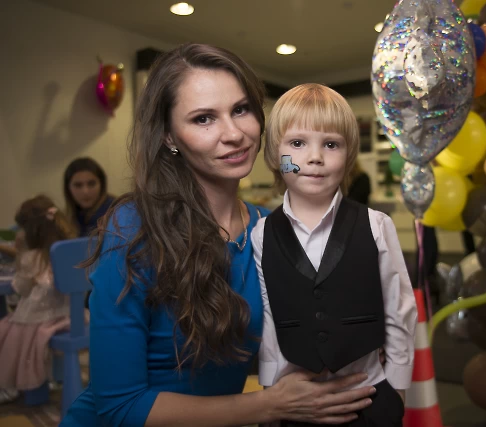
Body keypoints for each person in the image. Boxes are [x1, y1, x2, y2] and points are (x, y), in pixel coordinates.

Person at [61, 44, 376, 427]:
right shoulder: (133, 228)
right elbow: (120, 407)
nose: (234, 134)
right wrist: (269, 406)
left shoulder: (272, 228)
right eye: (203, 118)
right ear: (169, 137)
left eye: (241, 109)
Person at [252, 83, 417, 427]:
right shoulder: (262, 233)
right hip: (296, 404)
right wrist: (270, 391)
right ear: (275, 156)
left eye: (331, 144)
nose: (315, 157)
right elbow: (270, 318)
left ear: (348, 155)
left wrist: (397, 390)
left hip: (369, 395)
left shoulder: (376, 225)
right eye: (297, 144)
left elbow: (399, 309)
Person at [0, 195, 76, 403]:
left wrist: (20, 256)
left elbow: (20, 289)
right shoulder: (66, 251)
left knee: (5, 330)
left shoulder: (31, 257)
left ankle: (10, 384)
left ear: (30, 231)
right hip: (70, 316)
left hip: (37, 318)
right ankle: (51, 377)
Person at [63, 157, 115, 237]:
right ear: (68, 188)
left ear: (102, 184)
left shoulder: (116, 210)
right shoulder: (65, 218)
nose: (85, 191)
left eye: (91, 184)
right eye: (78, 185)